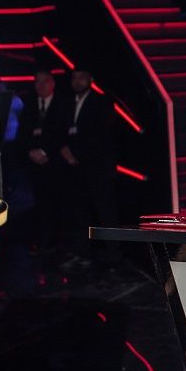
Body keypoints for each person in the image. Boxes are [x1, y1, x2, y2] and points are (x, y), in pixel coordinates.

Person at [60, 66, 117, 265]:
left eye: (81, 77)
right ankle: (82, 253)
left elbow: (99, 135)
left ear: (90, 79)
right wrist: (65, 149)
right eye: (74, 77)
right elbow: (62, 130)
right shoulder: (68, 102)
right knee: (80, 212)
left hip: (98, 167)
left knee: (106, 213)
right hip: (76, 170)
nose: (77, 81)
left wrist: (74, 153)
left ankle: (114, 258)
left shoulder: (102, 102)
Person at [16, 67, 69, 258]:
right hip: (34, 165)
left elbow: (62, 133)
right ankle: (42, 241)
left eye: (44, 81)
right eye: (37, 81)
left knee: (57, 203)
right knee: (38, 203)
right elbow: (22, 134)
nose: (40, 85)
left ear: (52, 83)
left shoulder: (62, 104)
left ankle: (57, 242)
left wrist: (45, 151)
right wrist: (30, 151)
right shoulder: (30, 105)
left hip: (55, 164)